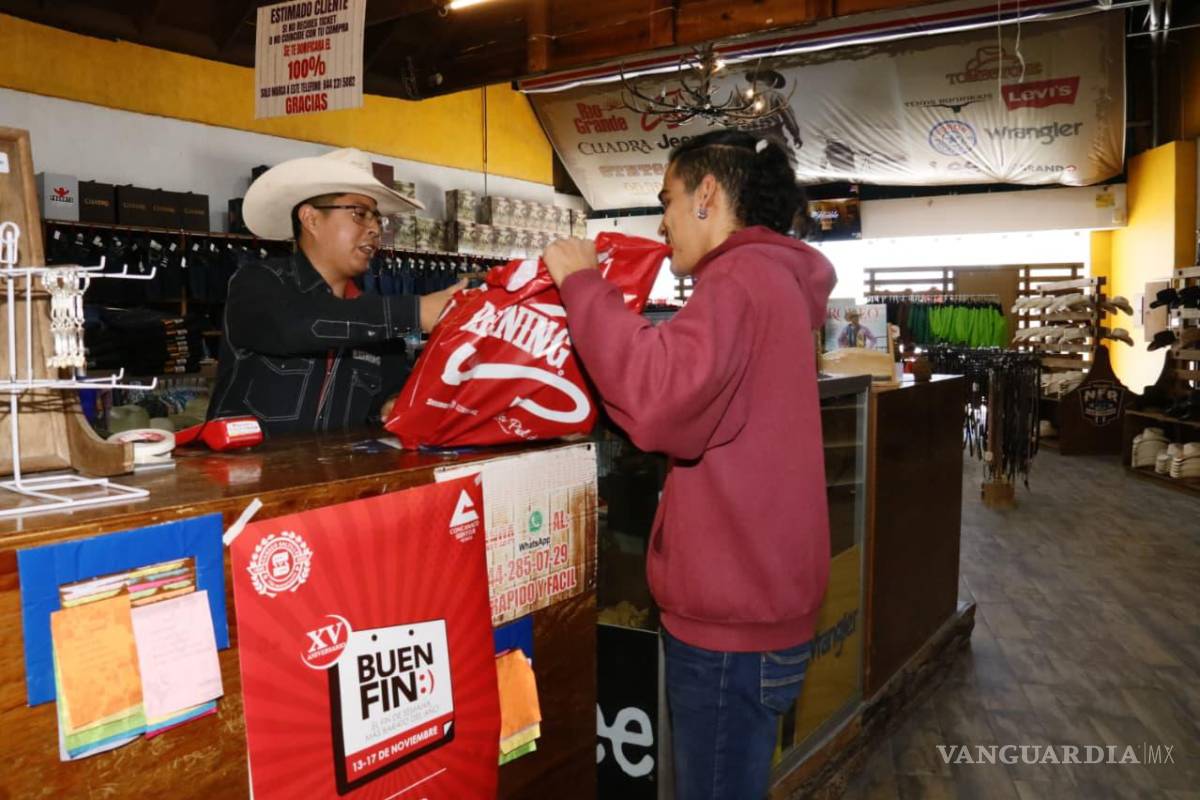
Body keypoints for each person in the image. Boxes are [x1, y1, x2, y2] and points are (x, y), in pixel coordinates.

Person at [543, 129, 837, 799]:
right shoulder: (775, 280)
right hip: (762, 606)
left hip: (731, 626)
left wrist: (584, 287)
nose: (662, 220)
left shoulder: (738, 278)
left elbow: (660, 400)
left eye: (668, 199)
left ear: (707, 195)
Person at [209, 148, 462, 436]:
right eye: (360, 214)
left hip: (334, 478)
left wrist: (390, 405)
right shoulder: (258, 282)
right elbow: (295, 325)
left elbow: (389, 393)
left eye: (378, 219)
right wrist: (415, 311)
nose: (375, 229)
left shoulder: (379, 321)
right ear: (311, 219)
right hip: (246, 478)